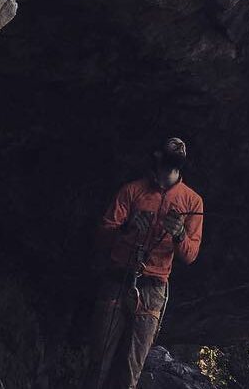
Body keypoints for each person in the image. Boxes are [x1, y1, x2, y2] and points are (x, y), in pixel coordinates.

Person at [83, 138, 203, 389]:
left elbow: (191, 254)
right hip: (119, 280)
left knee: (131, 369)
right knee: (99, 361)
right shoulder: (132, 191)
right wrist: (126, 228)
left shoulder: (192, 202)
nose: (177, 148)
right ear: (158, 156)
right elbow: (102, 235)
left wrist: (179, 234)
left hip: (153, 289)